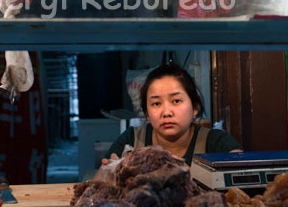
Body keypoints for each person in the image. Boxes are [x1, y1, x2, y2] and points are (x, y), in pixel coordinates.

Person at [96, 62, 243, 176]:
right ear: (147, 113)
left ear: (195, 107)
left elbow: (243, 176)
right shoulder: (132, 139)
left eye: (176, 101)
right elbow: (98, 186)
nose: (166, 112)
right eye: (156, 104)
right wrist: (113, 175)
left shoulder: (216, 142)